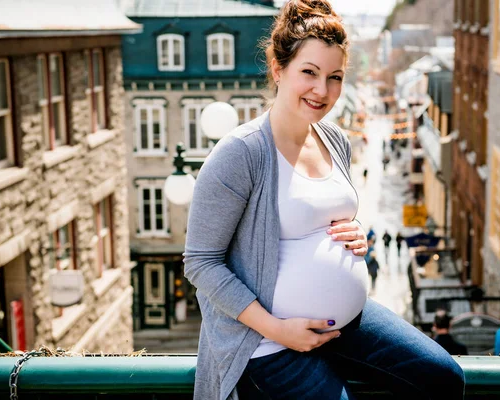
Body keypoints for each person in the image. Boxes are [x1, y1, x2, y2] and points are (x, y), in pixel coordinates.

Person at [183, 1, 465, 399]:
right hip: (269, 343)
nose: (323, 91)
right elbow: (201, 262)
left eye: (335, 77)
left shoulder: (334, 138)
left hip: (345, 325)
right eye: (309, 73)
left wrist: (356, 235)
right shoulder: (241, 153)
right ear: (279, 70)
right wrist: (278, 329)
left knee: (444, 378)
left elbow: (321, 218)